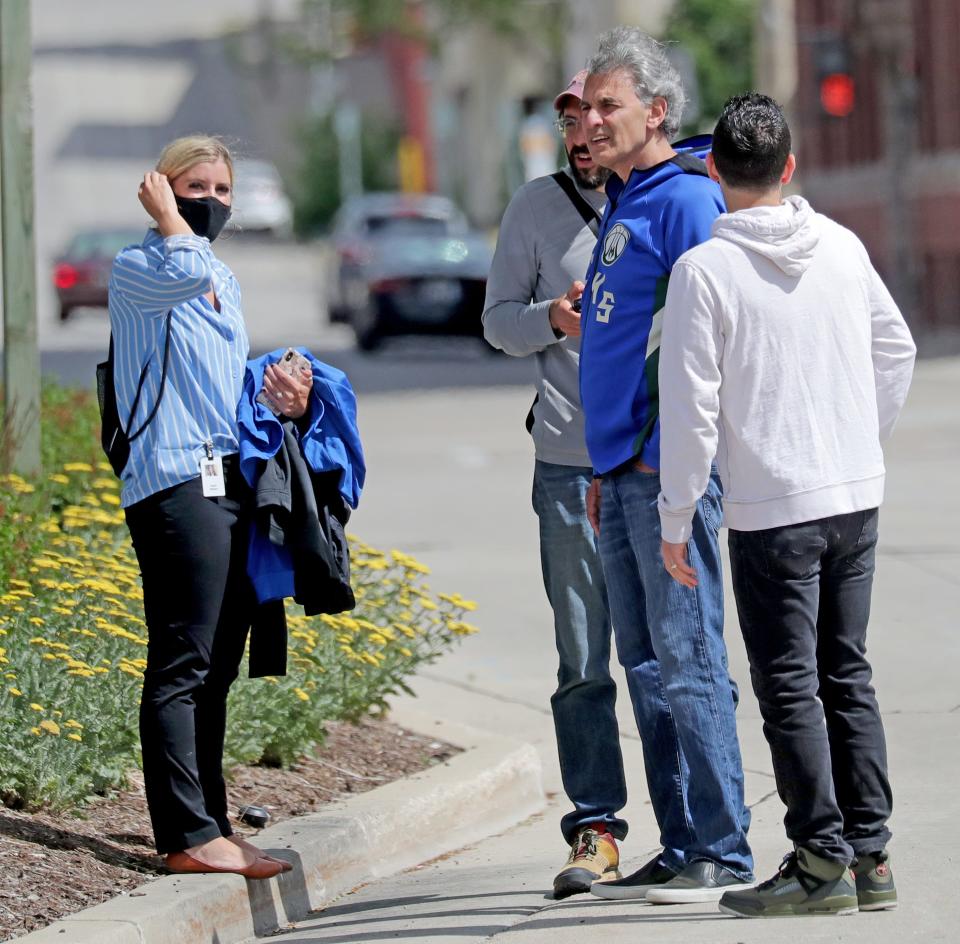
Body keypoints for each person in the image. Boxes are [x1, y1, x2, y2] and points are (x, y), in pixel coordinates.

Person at [657, 93, 916, 918]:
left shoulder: (704, 271)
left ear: (712, 170)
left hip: (772, 506)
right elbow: (896, 348)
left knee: (792, 686)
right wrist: (855, 439)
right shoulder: (842, 246)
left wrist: (676, 517)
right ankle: (870, 856)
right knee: (848, 673)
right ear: (790, 168)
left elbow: (691, 410)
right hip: (854, 494)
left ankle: (817, 860)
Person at [575, 26, 755, 903]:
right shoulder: (625, 201)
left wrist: (668, 473)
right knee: (645, 671)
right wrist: (609, 477)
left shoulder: (684, 199)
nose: (594, 121)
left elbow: (702, 348)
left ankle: (726, 847)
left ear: (656, 110)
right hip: (620, 475)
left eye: (611, 105)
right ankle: (682, 842)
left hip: (665, 473)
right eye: (589, 107)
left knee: (688, 663)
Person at [109, 135, 313, 877]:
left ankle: (213, 826)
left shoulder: (219, 272)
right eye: (198, 187)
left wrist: (278, 400)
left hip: (223, 478)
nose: (215, 202)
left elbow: (219, 389)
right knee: (184, 660)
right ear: (160, 189)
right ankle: (185, 835)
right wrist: (170, 224)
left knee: (219, 661)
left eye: (225, 190)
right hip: (171, 481)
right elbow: (185, 270)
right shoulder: (140, 267)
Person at [483, 71, 627, 899]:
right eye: (569, 119)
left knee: (675, 656)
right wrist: (552, 320)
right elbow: (497, 320)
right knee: (583, 659)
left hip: (653, 465)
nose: (581, 133)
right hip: (568, 467)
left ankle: (699, 832)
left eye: (595, 116)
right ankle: (596, 828)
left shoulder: (663, 200)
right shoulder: (535, 209)